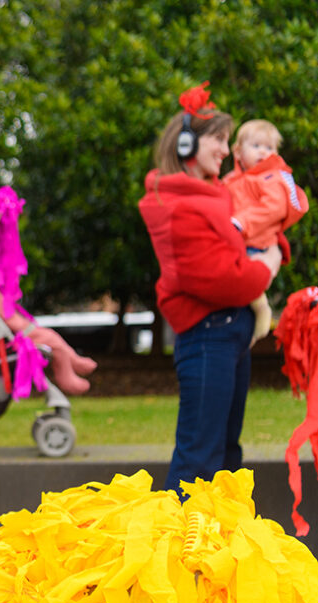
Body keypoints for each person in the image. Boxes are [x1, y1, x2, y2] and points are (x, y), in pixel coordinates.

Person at [137, 84, 281, 497]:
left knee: (225, 457)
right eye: (217, 139)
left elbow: (259, 231)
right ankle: (180, 555)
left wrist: (271, 249)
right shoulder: (173, 204)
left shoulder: (217, 194)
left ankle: (216, 549)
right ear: (185, 144)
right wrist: (267, 265)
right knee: (199, 457)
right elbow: (225, 279)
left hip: (231, 333)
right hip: (207, 336)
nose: (225, 148)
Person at [223, 119, 309, 345]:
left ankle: (262, 310)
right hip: (237, 239)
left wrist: (241, 222)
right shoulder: (231, 180)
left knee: (248, 274)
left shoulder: (271, 177)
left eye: (270, 148)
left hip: (258, 241)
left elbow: (273, 208)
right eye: (257, 146)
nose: (264, 152)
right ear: (238, 152)